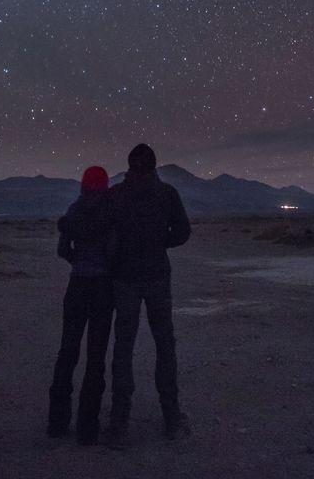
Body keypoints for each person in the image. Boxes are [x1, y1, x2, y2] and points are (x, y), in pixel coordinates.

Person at [107, 143, 191, 446]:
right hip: (157, 276)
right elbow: (182, 232)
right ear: (155, 166)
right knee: (164, 345)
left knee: (123, 346)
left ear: (129, 165)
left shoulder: (115, 195)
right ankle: (171, 417)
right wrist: (159, 243)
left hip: (125, 278)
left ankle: (119, 423)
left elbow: (105, 232)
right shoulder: (167, 194)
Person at [47, 165, 114, 445]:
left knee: (68, 351)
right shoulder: (110, 214)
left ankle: (58, 423)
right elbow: (114, 252)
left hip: (77, 286)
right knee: (96, 358)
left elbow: (63, 250)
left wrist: (79, 262)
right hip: (102, 288)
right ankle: (88, 428)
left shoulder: (73, 212)